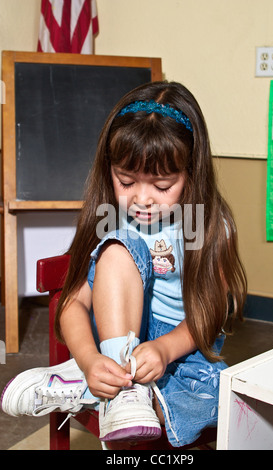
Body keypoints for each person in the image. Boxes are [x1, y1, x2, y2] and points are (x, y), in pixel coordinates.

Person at [1, 81, 247, 447]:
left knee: (201, 405)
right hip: (116, 335)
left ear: (191, 173)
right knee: (120, 247)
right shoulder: (111, 219)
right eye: (126, 181)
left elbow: (209, 311)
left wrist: (164, 349)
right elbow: (73, 303)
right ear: (109, 169)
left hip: (180, 347)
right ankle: (117, 389)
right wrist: (88, 358)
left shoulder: (203, 223)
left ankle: (91, 388)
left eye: (162, 186)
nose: (142, 199)